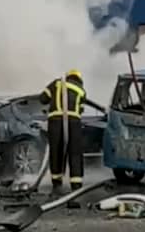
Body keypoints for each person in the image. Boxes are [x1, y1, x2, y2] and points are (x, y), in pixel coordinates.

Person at [39, 70, 105, 199]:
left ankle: (57, 186)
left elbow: (42, 99)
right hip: (74, 123)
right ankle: (76, 188)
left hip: (56, 122)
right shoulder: (81, 90)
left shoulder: (57, 83)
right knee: (75, 153)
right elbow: (80, 107)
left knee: (56, 152)